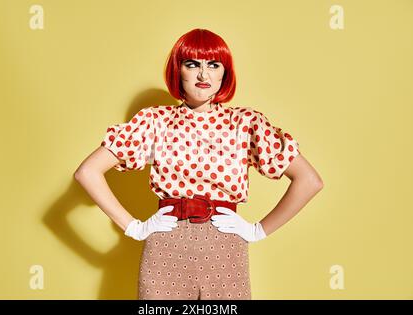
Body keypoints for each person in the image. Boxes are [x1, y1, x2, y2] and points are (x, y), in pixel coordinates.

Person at [74, 28, 324, 300]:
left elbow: (309, 181)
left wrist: (257, 230)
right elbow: (87, 172)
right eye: (192, 64)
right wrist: (135, 227)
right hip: (166, 249)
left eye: (213, 65)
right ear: (177, 71)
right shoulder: (154, 121)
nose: (203, 75)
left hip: (225, 249)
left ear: (224, 73)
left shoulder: (246, 123)